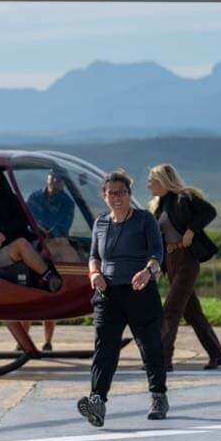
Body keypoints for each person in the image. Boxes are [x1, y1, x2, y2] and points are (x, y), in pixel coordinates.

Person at [78, 170, 168, 427]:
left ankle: (159, 396)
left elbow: (157, 253)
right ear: (104, 196)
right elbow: (94, 255)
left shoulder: (144, 219)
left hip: (140, 292)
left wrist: (147, 271)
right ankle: (97, 401)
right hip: (108, 294)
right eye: (112, 193)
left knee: (150, 345)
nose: (117, 197)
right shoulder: (100, 223)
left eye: (122, 192)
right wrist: (94, 273)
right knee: (104, 348)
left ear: (129, 194)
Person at [148, 163, 221, 370]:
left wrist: (191, 230)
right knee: (192, 312)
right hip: (171, 261)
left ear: (164, 181)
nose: (149, 184)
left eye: (152, 180)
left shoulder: (184, 198)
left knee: (170, 310)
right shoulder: (159, 206)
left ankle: (163, 359)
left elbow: (209, 211)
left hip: (187, 260)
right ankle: (216, 354)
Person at [0, 169, 62, 292]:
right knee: (21, 244)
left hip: (19, 241)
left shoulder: (4, 199)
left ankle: (74, 280)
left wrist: (4, 232)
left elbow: (24, 217)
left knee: (57, 243)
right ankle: (50, 278)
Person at [24, 168, 80, 349]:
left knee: (51, 291)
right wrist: (39, 236)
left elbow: (63, 226)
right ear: (48, 178)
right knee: (30, 291)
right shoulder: (34, 197)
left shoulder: (67, 202)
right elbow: (28, 218)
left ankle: (47, 341)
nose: (55, 181)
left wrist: (48, 238)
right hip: (35, 244)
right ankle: (23, 339)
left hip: (55, 244)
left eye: (59, 179)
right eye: (53, 177)